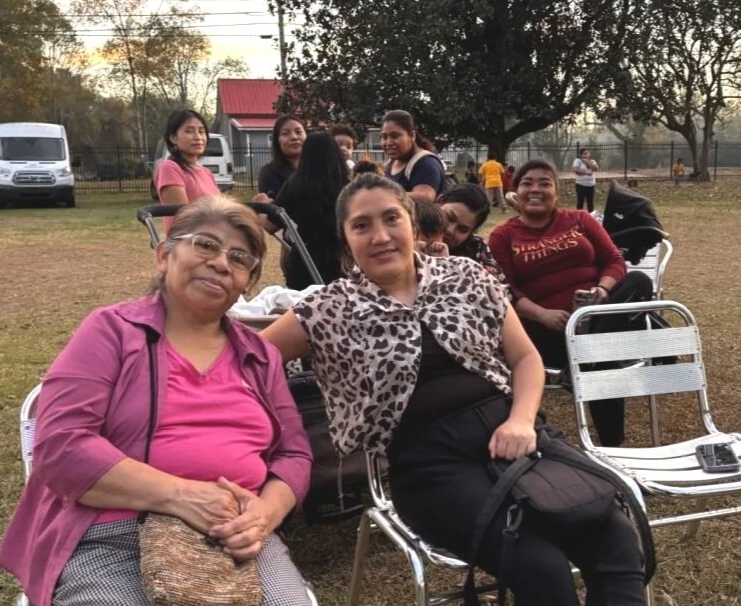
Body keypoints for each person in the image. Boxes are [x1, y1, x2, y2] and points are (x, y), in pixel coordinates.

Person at [261, 173, 647, 606]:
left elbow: (525, 358)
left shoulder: (467, 277)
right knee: (542, 567)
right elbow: (247, 360)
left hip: (515, 435)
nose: (381, 235)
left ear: (413, 223)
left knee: (616, 541)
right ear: (345, 239)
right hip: (428, 465)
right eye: (362, 225)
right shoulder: (326, 309)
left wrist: (521, 420)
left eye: (391, 218)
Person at [0, 197, 314, 606]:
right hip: (112, 533)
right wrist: (181, 495)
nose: (221, 263)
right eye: (205, 245)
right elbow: (61, 445)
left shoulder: (259, 355)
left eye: (240, 258)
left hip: (237, 538)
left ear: (244, 284)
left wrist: (266, 514)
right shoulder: (111, 331)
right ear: (165, 255)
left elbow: (294, 454)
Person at [488, 159, 653, 447]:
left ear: (556, 191)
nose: (535, 189)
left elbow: (615, 261)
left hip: (596, 313)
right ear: (515, 193)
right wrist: (542, 314)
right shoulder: (504, 235)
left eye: (544, 183)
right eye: (527, 183)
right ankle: (613, 448)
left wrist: (602, 290)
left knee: (639, 281)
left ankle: (589, 347)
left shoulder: (580, 220)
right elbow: (504, 290)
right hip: (547, 328)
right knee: (602, 356)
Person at [265, 132, 350, 289]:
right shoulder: (347, 185)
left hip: (305, 260)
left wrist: (262, 207)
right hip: (342, 260)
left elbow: (270, 226)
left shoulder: (295, 184)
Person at [438, 184, 507, 284]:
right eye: (448, 217)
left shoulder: (476, 247)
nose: (450, 230)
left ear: (472, 232)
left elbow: (500, 291)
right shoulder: (411, 234)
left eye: (462, 230)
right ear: (439, 202)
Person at [155, 109, 219, 217]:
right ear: (173, 138)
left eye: (201, 131)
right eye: (189, 131)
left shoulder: (206, 172)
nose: (198, 137)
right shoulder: (169, 168)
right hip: (190, 233)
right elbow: (183, 217)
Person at [381, 109, 445, 202]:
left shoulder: (426, 163)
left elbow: (425, 197)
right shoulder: (390, 164)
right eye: (384, 137)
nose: (388, 142)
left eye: (395, 136)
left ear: (412, 136)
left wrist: (381, 196)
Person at [258, 115, 307, 198]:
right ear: (277, 140)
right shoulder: (269, 172)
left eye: (298, 132)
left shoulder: (318, 168)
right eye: (285, 133)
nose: (294, 137)